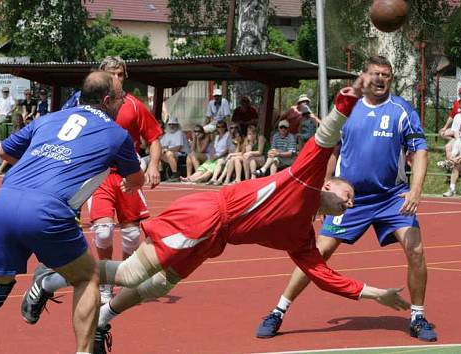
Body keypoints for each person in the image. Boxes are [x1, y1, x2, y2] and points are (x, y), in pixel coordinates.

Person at [20, 74, 412, 354]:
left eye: (353, 201)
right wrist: (349, 99)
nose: (350, 202)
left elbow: (324, 276)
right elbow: (325, 136)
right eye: (348, 194)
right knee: (132, 273)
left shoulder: (301, 237)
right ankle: (50, 277)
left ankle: (103, 318)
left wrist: (376, 294)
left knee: (157, 287)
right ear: (329, 186)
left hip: (214, 238)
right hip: (206, 216)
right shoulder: (306, 179)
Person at [0, 71, 144, 354]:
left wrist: (42, 162)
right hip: (47, 210)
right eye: (120, 98)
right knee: (87, 277)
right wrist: (132, 180)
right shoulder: (117, 134)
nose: (123, 102)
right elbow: (135, 179)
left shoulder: (49, 118)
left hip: (6, 200)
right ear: (106, 100)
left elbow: (3, 150)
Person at [256, 55, 436, 342]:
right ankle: (278, 311)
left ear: (391, 79)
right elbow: (330, 151)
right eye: (375, 74)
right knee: (318, 252)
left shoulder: (402, 110)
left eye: (386, 75)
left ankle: (417, 316)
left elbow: (421, 152)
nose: (380, 79)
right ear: (364, 76)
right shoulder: (347, 110)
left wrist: (415, 191)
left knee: (415, 250)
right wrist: (321, 193)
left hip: (391, 197)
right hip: (349, 199)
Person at [83, 56, 163, 303]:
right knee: (104, 232)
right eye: (112, 74)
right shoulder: (87, 103)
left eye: (120, 74)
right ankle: (106, 284)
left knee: (130, 236)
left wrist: (154, 166)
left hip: (128, 175)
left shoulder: (135, 106)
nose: (116, 78)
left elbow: (154, 138)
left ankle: (126, 278)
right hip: (100, 174)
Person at [159, 116, 187, 182]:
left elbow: (178, 147)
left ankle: (175, 174)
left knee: (169, 154)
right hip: (173, 154)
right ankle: (161, 175)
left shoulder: (179, 133)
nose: (171, 126)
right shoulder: (167, 134)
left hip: (183, 154)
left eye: (173, 124)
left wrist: (167, 150)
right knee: (157, 155)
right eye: (170, 124)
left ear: (177, 125)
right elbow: (162, 146)